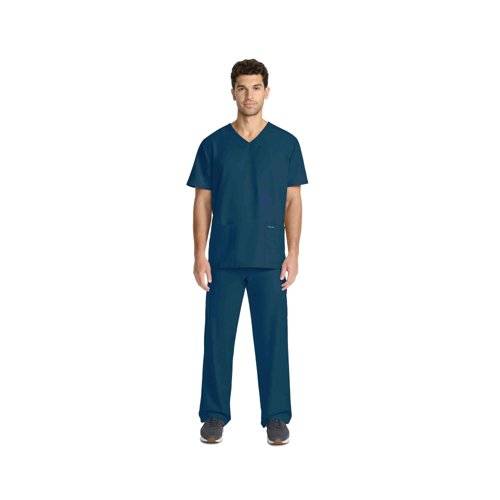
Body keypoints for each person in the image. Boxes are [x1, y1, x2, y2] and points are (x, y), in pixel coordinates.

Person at [186, 58, 309, 445]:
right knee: (217, 340)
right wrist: (199, 255)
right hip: (223, 259)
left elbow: (293, 201)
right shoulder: (214, 145)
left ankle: (276, 417)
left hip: (269, 259)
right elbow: (203, 202)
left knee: (273, 339)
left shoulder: (286, 145)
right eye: (242, 88)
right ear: (232, 92)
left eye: (256, 87)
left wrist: (293, 253)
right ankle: (214, 415)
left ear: (267, 91)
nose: (249, 95)